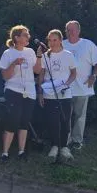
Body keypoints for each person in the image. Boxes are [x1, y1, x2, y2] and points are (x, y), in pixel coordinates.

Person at [0, 25, 42, 161]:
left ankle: (21, 151)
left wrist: (39, 55)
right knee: (12, 121)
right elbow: (5, 76)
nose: (28, 36)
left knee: (24, 122)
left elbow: (37, 71)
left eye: (27, 34)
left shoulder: (30, 52)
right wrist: (14, 63)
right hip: (13, 90)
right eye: (25, 34)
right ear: (16, 38)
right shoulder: (8, 53)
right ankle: (5, 153)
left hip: (29, 91)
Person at [63, 20, 97, 150]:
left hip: (82, 87)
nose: (70, 33)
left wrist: (94, 75)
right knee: (65, 116)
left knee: (79, 116)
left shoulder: (88, 45)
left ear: (78, 30)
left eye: (73, 30)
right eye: (68, 30)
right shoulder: (61, 45)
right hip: (65, 88)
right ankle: (65, 140)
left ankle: (77, 141)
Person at [37, 29, 77, 160]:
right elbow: (41, 75)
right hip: (50, 94)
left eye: (55, 40)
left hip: (65, 94)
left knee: (65, 120)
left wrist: (66, 85)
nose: (52, 43)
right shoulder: (45, 56)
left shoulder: (68, 55)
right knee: (52, 121)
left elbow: (73, 73)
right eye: (50, 40)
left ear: (60, 40)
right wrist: (41, 93)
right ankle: (54, 146)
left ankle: (64, 147)